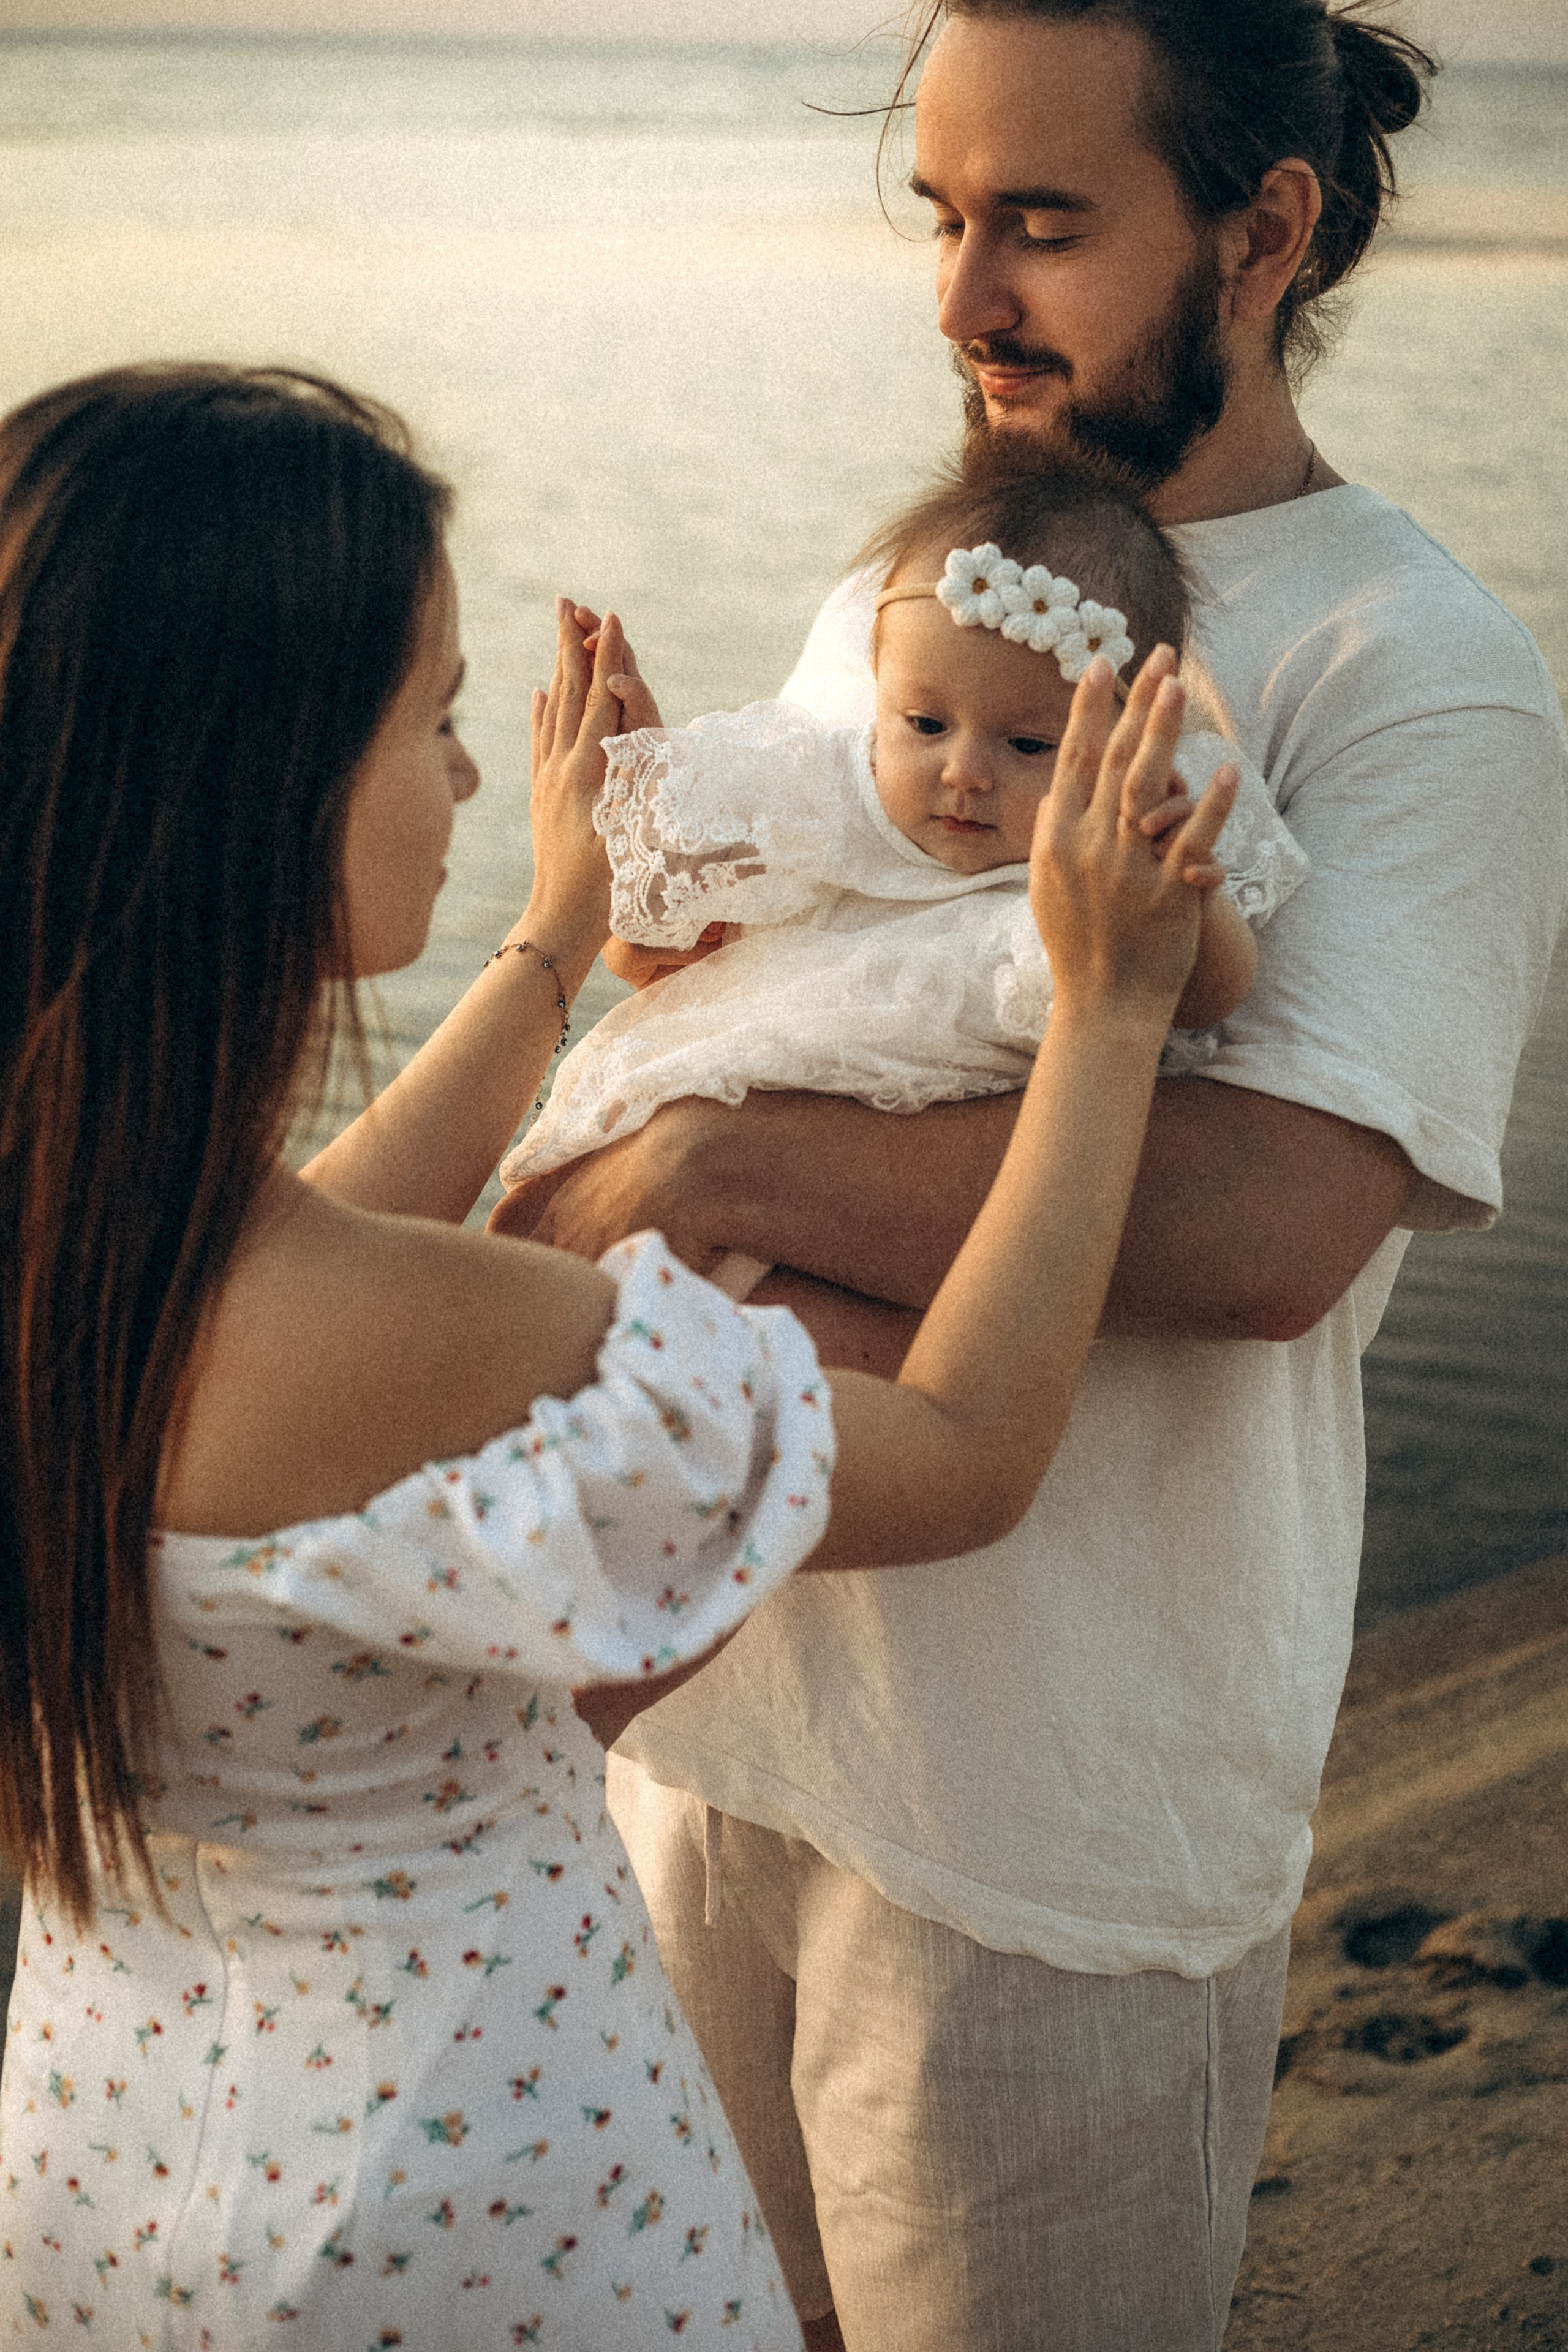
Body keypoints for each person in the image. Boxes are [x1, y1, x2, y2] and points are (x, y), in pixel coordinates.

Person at [490, 6, 1568, 2348]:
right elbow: (805, 977)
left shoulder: (1422, 674)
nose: (964, 300)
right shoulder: (939, 583)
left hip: (1046, 1836)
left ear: (1263, 230)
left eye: (1045, 226)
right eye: (946, 217)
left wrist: (694, 1170)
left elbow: (1275, 1231)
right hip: (702, 1731)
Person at [0, 363, 1232, 2349]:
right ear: (270, 784)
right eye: (441, 722)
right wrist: (1104, 1015)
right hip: (478, 2216)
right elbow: (965, 1448)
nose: (485, 785)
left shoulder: (90, 1255)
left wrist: (563, 935)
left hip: (101, 2159)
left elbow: (327, 1207)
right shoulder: (463, 1340)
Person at [497, 462, 1308, 1318]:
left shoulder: (1101, 868)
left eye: (1030, 745)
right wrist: (653, 808)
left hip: (902, 1207)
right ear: (880, 692)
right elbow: (650, 940)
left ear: (1125, 739)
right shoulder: (827, 793)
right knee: (590, 1313)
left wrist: (1182, 889)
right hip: (731, 1107)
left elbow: (1209, 995)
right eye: (925, 725)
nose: (964, 772)